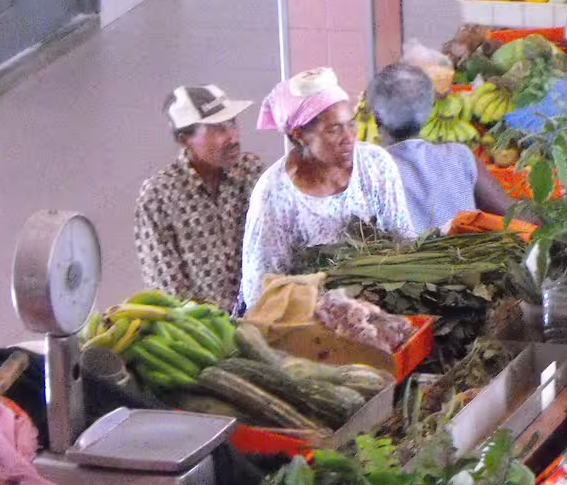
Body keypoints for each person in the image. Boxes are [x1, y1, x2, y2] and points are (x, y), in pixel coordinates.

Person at [238, 68, 415, 311]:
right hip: (306, 317)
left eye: (350, 125)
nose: (349, 138)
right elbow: (260, 289)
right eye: (334, 130)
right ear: (299, 135)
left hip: (379, 305)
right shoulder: (274, 193)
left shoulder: (376, 164)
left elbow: (402, 237)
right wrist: (324, 306)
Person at [132, 85, 264, 312]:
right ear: (185, 140)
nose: (233, 137)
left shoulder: (251, 172)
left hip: (261, 314)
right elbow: (168, 288)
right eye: (217, 129)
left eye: (233, 123)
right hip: (205, 330)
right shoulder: (158, 196)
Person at [367, 63, 516, 231]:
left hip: (402, 257)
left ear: (376, 116)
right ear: (430, 110)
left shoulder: (368, 171)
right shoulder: (460, 156)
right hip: (465, 255)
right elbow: (513, 214)